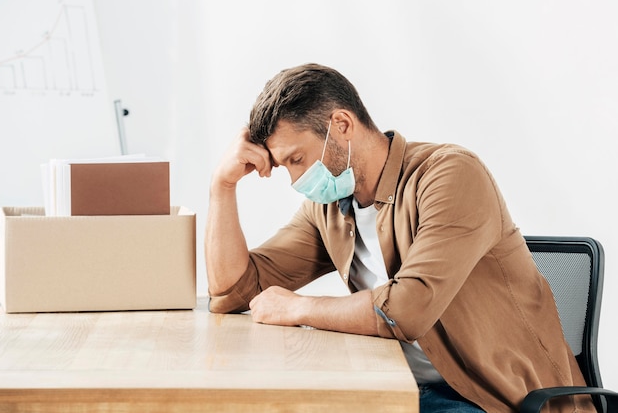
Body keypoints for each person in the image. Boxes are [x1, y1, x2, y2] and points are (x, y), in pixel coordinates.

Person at [204, 63, 594, 412]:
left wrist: (297, 308)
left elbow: (406, 310)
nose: (295, 180)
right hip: (397, 388)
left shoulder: (451, 176)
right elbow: (235, 291)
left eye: (297, 159)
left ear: (341, 125)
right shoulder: (331, 207)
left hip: (489, 398)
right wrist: (222, 186)